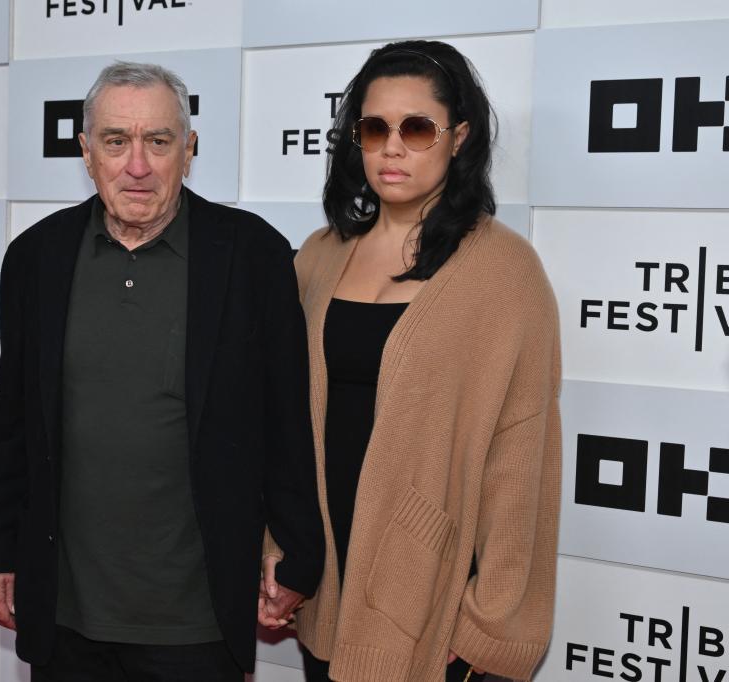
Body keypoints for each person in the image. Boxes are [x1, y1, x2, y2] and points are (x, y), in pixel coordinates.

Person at [0, 61, 324, 681]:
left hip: (198, 622)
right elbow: (12, 418)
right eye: (115, 141)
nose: (138, 165)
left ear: (189, 151)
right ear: (85, 152)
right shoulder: (35, 257)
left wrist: (294, 547)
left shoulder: (252, 255)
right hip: (66, 618)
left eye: (158, 141)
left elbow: (287, 418)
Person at [258, 40, 562, 682]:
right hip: (325, 584)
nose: (392, 147)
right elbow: (282, 424)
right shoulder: (316, 256)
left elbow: (521, 458)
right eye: (374, 128)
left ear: (459, 138)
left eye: (417, 127)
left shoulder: (504, 274)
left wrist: (490, 623)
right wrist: (279, 549)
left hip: (433, 604)